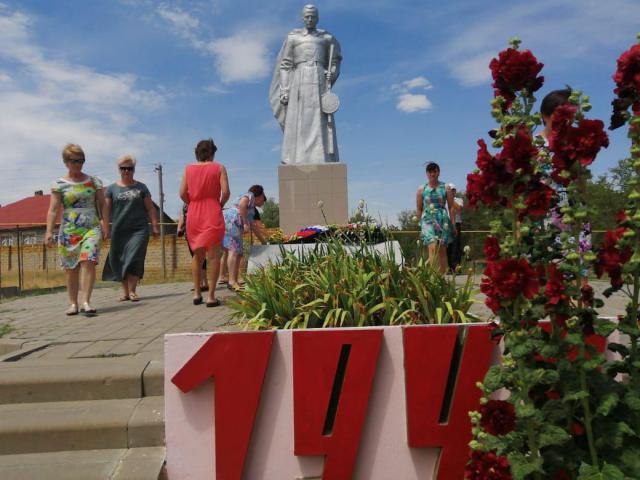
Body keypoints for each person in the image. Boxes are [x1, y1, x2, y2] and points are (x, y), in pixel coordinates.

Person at [269, 4, 342, 164]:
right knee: (299, 121)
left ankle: (322, 156)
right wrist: (285, 89)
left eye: (313, 17)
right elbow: (285, 65)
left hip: (319, 82)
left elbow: (335, 59)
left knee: (319, 120)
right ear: (302, 18)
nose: (310, 19)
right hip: (299, 81)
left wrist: (332, 72)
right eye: (307, 16)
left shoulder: (326, 38)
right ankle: (297, 157)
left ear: (317, 18)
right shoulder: (293, 38)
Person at [45, 144, 105, 315]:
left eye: (81, 161)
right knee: (71, 267)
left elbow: (103, 204)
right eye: (75, 161)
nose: (79, 164)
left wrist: (105, 223)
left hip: (91, 227)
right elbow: (53, 210)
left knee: (88, 259)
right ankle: (73, 303)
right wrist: (49, 231)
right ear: (66, 162)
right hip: (69, 230)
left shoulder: (94, 182)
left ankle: (86, 301)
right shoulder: (59, 184)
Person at [540, 87, 591, 286]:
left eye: (570, 115)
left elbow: (582, 181)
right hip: (546, 218)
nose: (566, 121)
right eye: (559, 115)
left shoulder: (576, 143)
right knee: (551, 281)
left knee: (579, 279)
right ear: (545, 115)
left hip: (575, 214)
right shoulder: (534, 144)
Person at [179, 138, 229, 307]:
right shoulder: (219, 168)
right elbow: (226, 192)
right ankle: (211, 297)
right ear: (212, 153)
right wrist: (219, 204)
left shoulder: (188, 169)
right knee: (214, 255)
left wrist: (192, 202)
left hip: (194, 212)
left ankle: (197, 293)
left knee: (197, 255)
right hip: (212, 210)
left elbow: (182, 193)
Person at [102, 155, 159, 301]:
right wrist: (106, 228)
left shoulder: (141, 187)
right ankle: (125, 292)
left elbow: (151, 208)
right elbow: (106, 210)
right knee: (119, 259)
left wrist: (154, 225)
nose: (126, 171)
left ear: (134, 170)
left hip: (139, 230)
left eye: (130, 168)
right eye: (123, 168)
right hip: (119, 230)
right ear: (119, 170)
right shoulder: (111, 189)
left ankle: (132, 290)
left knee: (134, 257)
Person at [223, 185, 268, 291]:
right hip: (232, 223)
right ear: (260, 195)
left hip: (235, 225)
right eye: (263, 200)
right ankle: (232, 281)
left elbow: (253, 226)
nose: (263, 203)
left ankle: (234, 280)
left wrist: (263, 242)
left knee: (238, 253)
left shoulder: (251, 209)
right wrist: (244, 223)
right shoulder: (249, 196)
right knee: (233, 251)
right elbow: (242, 204)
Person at [415, 162, 455, 273]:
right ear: (427, 173)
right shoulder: (421, 189)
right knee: (432, 246)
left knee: (442, 249)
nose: (433, 174)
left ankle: (442, 277)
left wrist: (453, 223)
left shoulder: (446, 188)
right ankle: (434, 277)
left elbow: (451, 207)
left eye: (435, 171)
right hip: (427, 219)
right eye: (430, 171)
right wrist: (419, 224)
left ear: (438, 172)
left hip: (442, 219)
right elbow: (419, 209)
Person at [177, 203, 209, 291]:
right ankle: (201, 282)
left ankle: (203, 282)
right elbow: (182, 216)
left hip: (201, 231)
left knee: (200, 256)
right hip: (190, 233)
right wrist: (179, 228)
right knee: (195, 256)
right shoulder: (185, 204)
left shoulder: (202, 201)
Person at [446, 184, 464, 271]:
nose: (451, 191)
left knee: (456, 246)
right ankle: (449, 267)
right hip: (446, 225)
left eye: (452, 190)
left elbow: (459, 208)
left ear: (455, 191)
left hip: (456, 224)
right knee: (448, 247)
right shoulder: (444, 201)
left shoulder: (459, 200)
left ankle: (456, 268)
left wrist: (451, 199)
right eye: (449, 190)